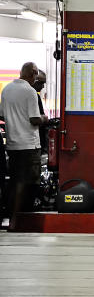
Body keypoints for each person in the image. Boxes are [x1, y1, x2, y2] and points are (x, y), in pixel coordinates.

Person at [0, 62, 47, 229]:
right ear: (33, 73)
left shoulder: (7, 89)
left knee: (14, 181)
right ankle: (17, 221)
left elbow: (2, 115)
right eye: (37, 77)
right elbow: (34, 119)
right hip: (28, 145)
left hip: (12, 145)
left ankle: (11, 217)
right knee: (27, 183)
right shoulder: (30, 92)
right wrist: (44, 118)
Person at [31, 70, 48, 153]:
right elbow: (35, 119)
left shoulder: (35, 95)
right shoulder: (33, 95)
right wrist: (44, 118)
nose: (43, 86)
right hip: (34, 142)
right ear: (34, 80)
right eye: (41, 83)